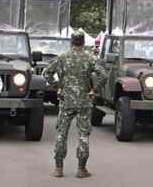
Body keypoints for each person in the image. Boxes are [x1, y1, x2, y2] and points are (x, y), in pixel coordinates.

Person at [43, 31, 107, 179]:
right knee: (83, 135)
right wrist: (94, 90)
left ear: (71, 42)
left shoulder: (62, 57)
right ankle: (81, 169)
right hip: (84, 101)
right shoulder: (90, 58)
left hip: (66, 101)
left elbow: (47, 73)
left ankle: (58, 168)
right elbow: (103, 75)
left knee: (61, 134)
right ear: (84, 42)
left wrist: (58, 86)